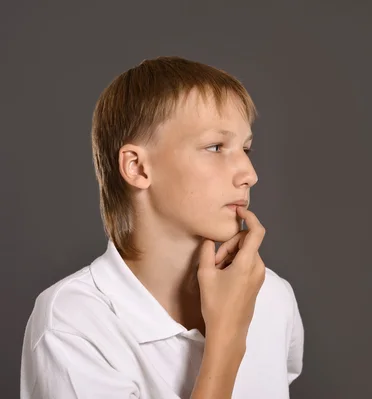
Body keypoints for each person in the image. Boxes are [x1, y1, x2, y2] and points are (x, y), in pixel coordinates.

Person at [20, 56, 304, 398]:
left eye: (246, 148)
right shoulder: (71, 324)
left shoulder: (272, 296)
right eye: (216, 147)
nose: (249, 174)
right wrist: (227, 338)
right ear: (138, 168)